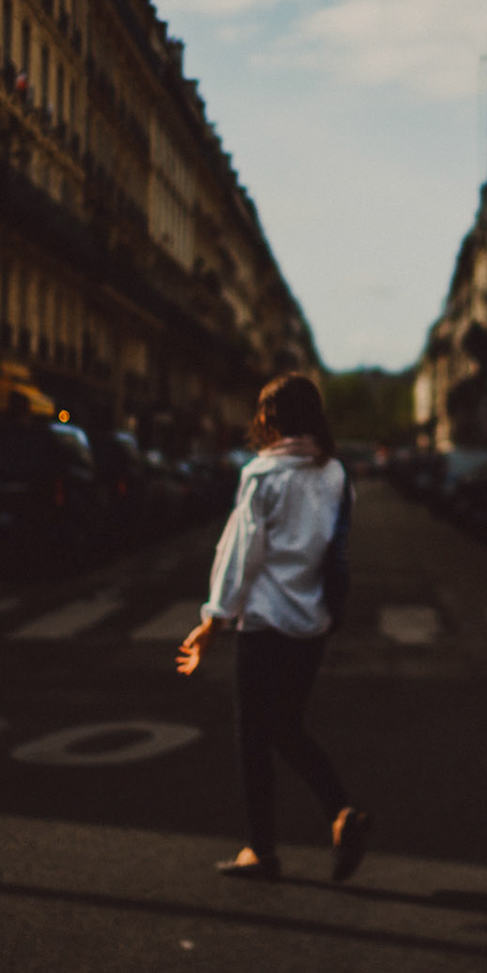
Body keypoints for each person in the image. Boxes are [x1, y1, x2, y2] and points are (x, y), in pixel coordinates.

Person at [176, 373, 369, 883]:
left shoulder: (263, 475)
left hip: (264, 624)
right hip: (312, 622)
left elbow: (240, 554)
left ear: (269, 420)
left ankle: (262, 850)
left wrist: (212, 622)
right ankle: (341, 811)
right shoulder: (335, 476)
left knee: (253, 737)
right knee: (285, 727)